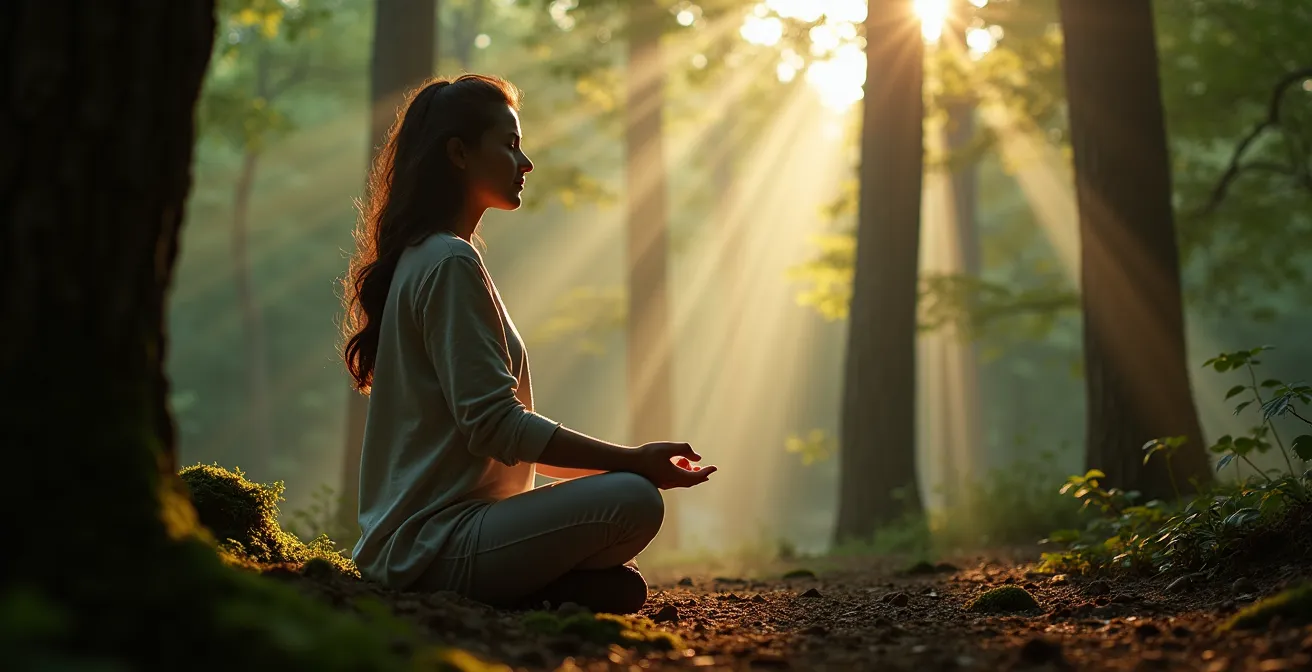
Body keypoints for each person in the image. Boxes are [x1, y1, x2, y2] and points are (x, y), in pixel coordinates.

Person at [340, 74, 716, 614]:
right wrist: (632, 462)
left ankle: (532, 590)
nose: (526, 162)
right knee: (633, 500)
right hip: (432, 546)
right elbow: (497, 425)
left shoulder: (432, 256)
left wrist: (625, 465)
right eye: (510, 144)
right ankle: (510, 590)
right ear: (459, 154)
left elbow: (502, 441)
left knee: (624, 526)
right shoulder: (448, 262)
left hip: (441, 538)